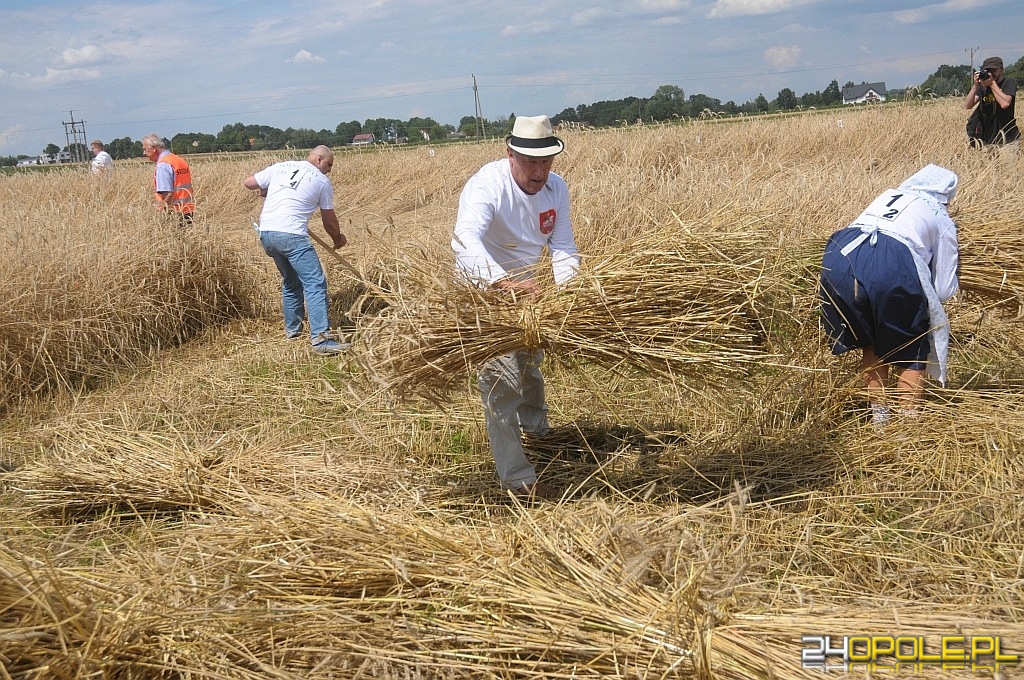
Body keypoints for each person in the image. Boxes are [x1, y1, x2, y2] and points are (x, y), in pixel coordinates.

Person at [452, 115, 580, 499]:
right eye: (530, 162)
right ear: (509, 154)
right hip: (486, 290)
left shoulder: (556, 188)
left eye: (546, 161)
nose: (539, 171)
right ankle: (518, 480)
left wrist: (570, 295)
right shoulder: (486, 186)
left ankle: (537, 430)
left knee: (529, 363)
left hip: (529, 292)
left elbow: (563, 247)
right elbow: (464, 240)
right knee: (502, 382)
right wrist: (502, 284)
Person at [819, 164, 960, 428]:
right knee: (911, 348)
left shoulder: (888, 195)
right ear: (946, 194)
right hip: (890, 261)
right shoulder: (939, 214)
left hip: (839, 257)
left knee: (873, 343)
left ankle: (880, 424)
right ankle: (907, 430)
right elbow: (943, 289)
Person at [243, 145, 350, 355]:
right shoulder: (321, 181)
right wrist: (338, 239)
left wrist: (269, 190)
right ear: (319, 159)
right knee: (315, 283)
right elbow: (329, 221)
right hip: (292, 235)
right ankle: (321, 340)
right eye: (329, 164)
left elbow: (249, 183)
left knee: (291, 282)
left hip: (267, 234)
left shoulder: (281, 167)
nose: (329, 170)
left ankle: (294, 331)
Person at [964, 56, 1018, 148]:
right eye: (987, 70)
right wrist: (975, 86)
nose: (990, 73)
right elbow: (967, 105)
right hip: (986, 139)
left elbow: (1005, 104)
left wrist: (992, 84)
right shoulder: (983, 87)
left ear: (1002, 70)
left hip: (1007, 139)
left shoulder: (1008, 82)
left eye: (994, 70)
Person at [142, 133, 195, 225]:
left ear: (154, 148)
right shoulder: (179, 160)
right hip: (188, 211)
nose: (144, 153)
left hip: (174, 215)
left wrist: (163, 217)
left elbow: (168, 195)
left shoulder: (163, 165)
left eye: (145, 149)